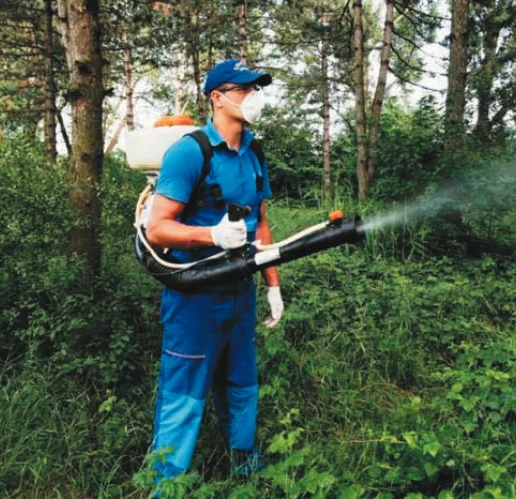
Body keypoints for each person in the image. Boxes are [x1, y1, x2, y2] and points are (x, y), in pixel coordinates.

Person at [146, 59, 284, 481]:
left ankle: (245, 466)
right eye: (244, 90)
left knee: (241, 383)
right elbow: (157, 228)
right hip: (196, 297)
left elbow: (261, 223)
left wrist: (272, 286)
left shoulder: (254, 152)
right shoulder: (190, 152)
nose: (253, 97)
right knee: (184, 393)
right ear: (217, 98)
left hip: (240, 293)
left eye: (255, 89)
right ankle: (166, 484)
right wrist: (212, 236)